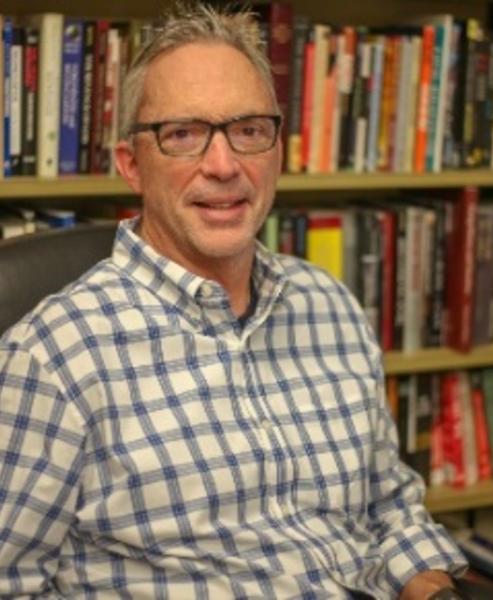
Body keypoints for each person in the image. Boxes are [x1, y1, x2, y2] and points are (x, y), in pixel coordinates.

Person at [0, 3, 468, 598]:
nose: (223, 166)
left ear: (277, 151)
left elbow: (392, 510)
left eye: (248, 131)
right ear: (132, 165)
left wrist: (432, 589)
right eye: (184, 135)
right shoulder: (53, 358)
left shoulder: (331, 306)